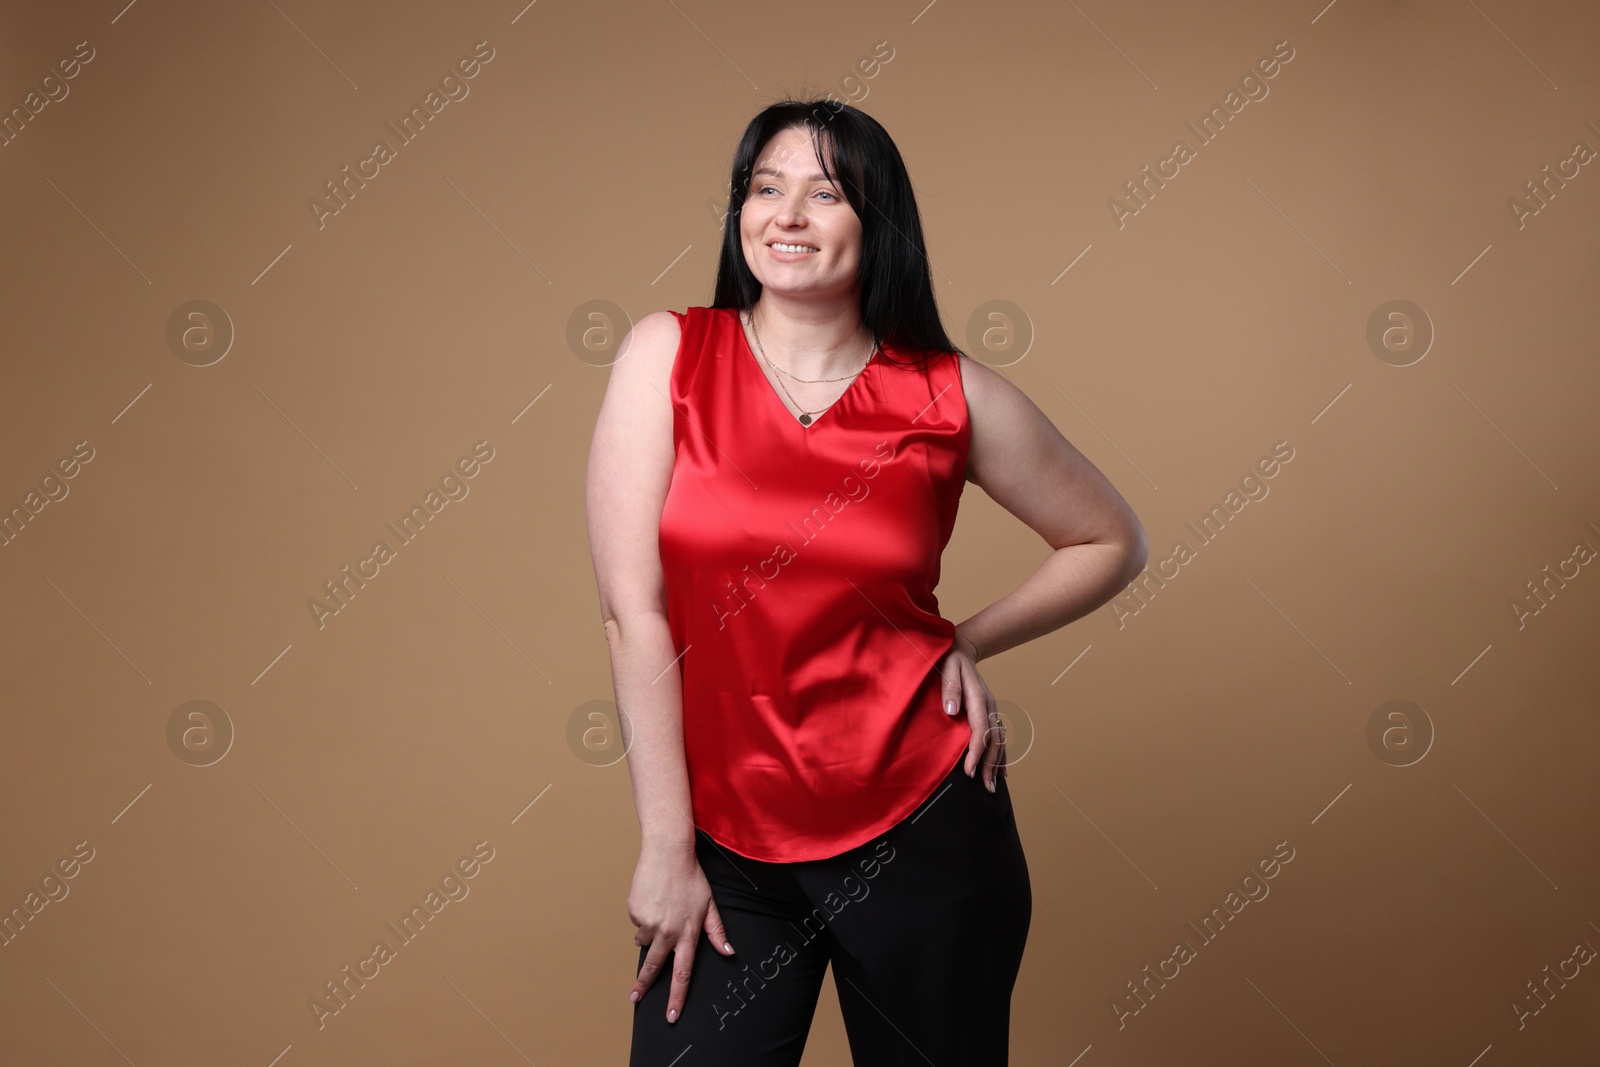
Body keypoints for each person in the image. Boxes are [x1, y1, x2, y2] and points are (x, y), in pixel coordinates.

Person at [585, 98, 1148, 1066]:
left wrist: (964, 638)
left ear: (876, 223)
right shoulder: (665, 355)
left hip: (921, 820)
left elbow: (1107, 539)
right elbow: (632, 612)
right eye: (766, 188)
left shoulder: (949, 394)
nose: (786, 214)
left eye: (824, 192)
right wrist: (665, 845)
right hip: (723, 838)